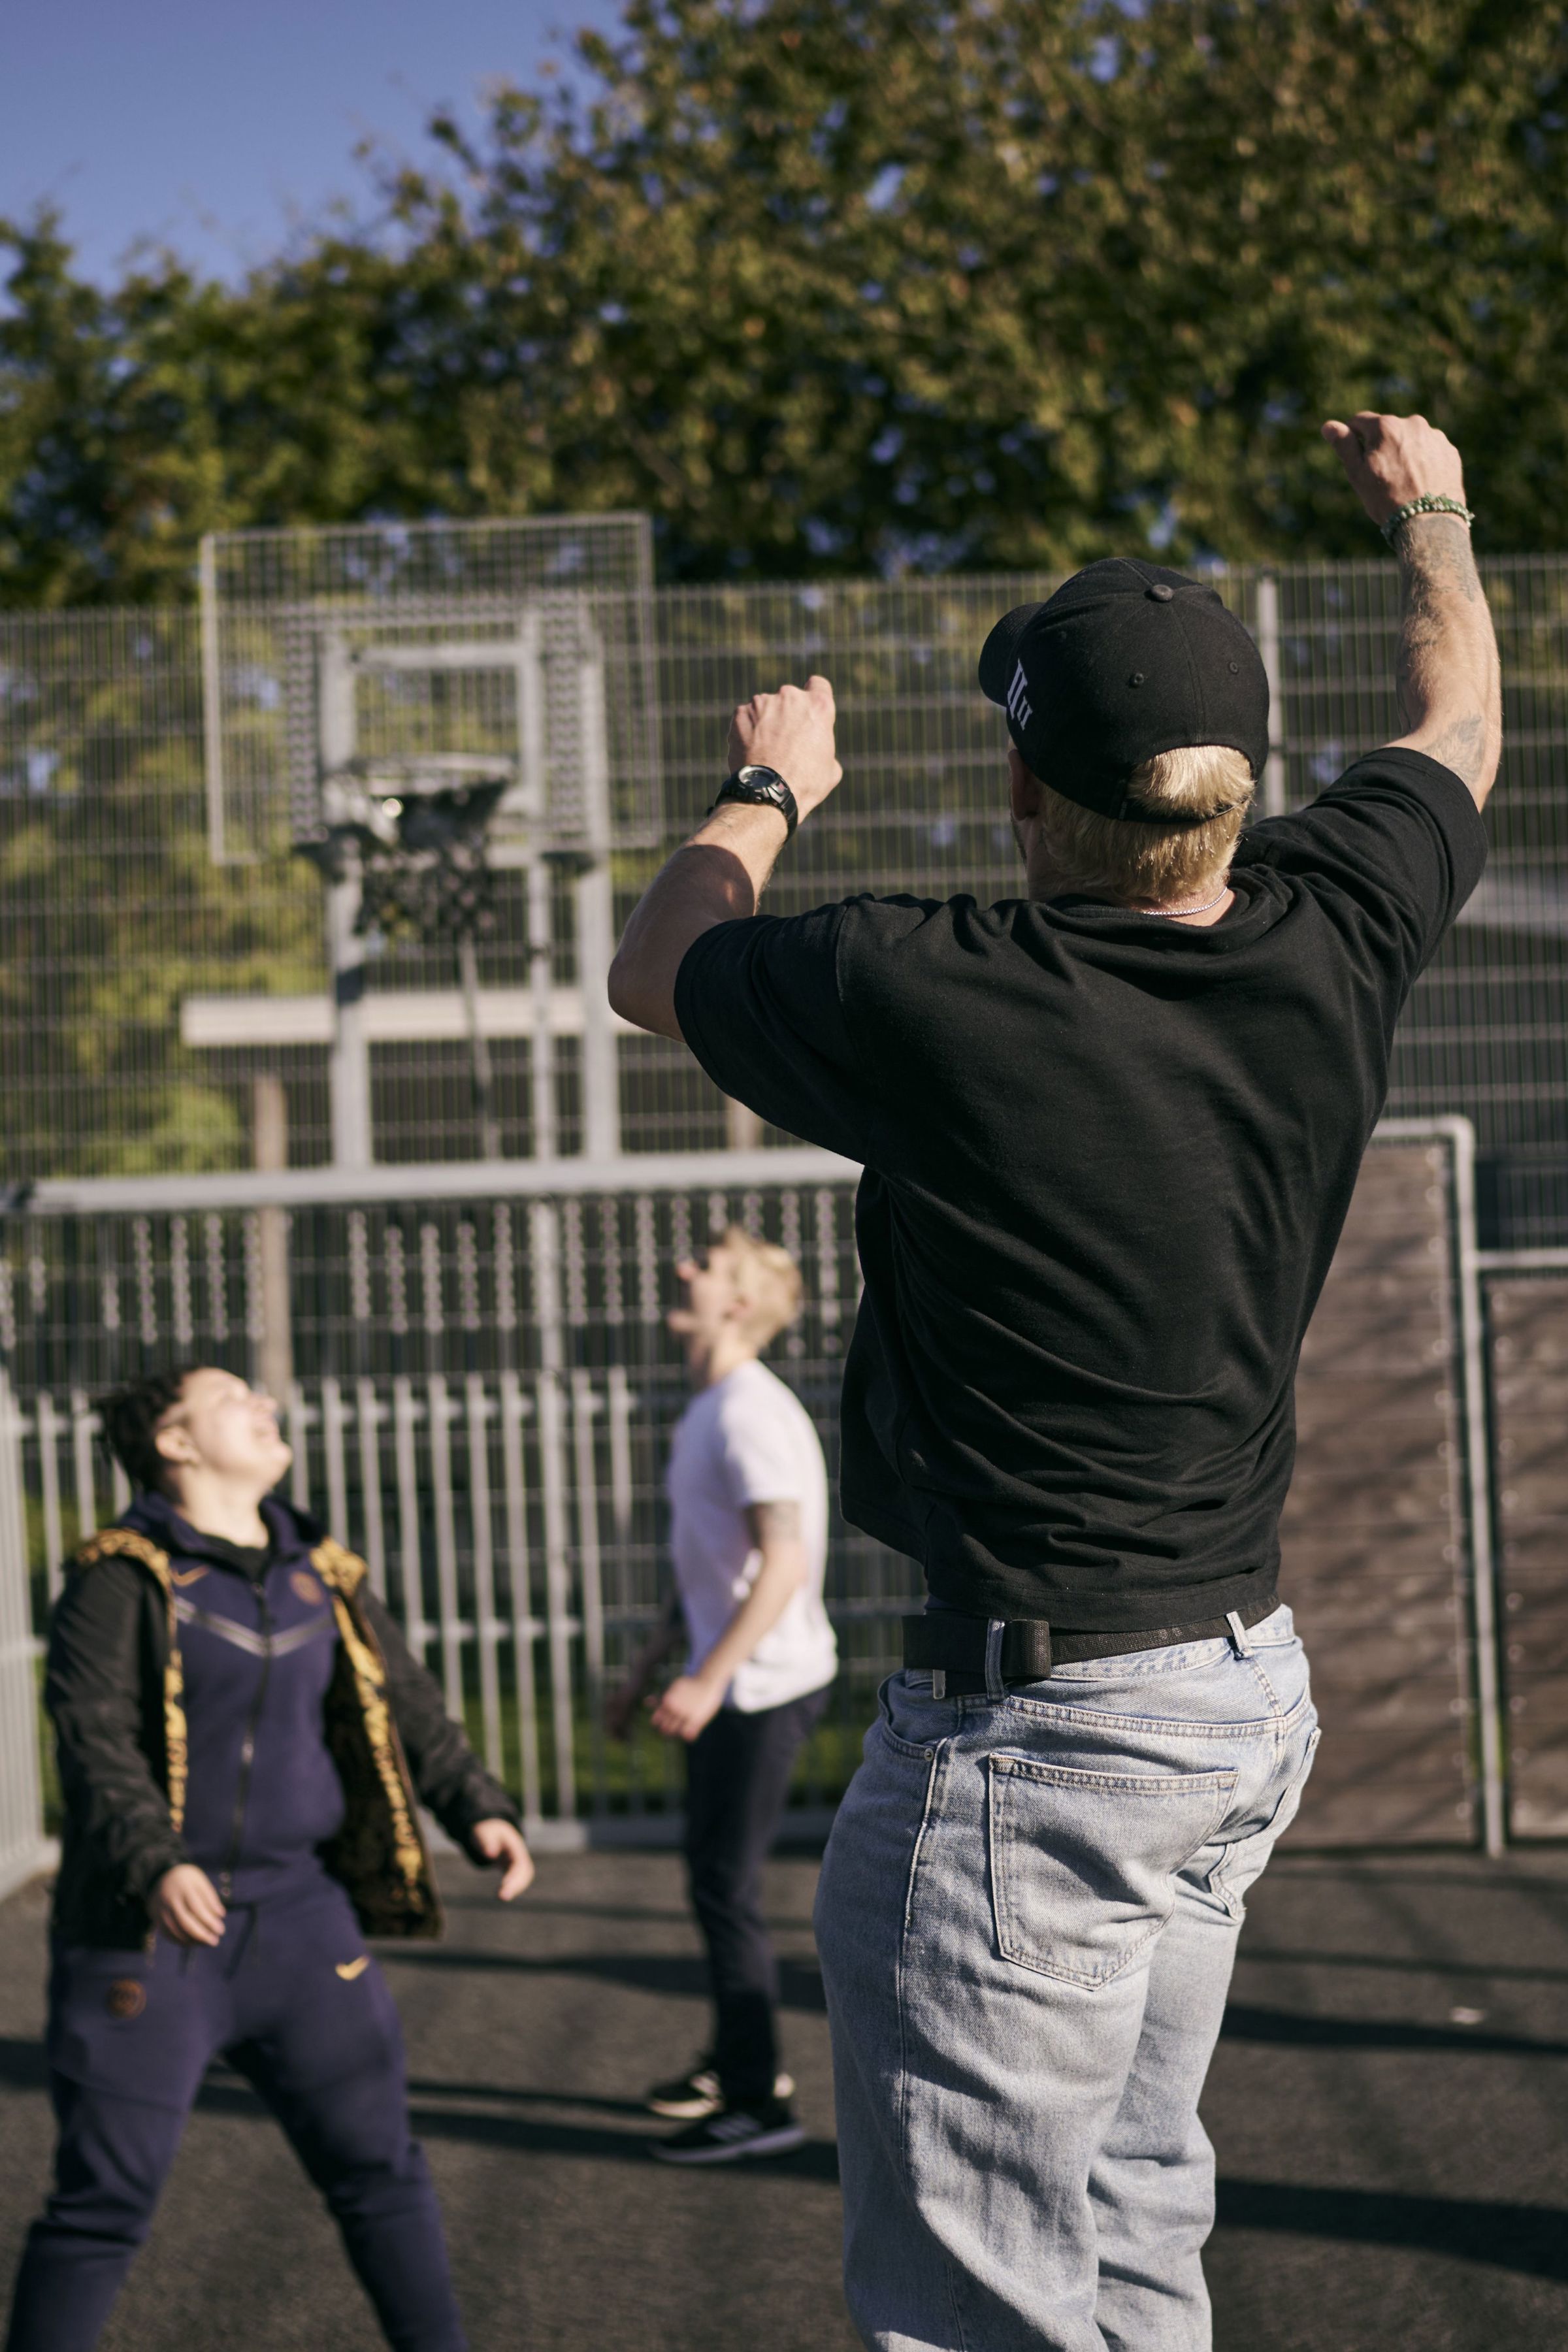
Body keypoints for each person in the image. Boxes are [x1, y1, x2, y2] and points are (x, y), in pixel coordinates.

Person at [607, 413, 1499, 2345]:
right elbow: (1461, 722)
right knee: (1128, 2238)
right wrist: (1430, 515)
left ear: (1024, 789)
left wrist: (765, 781)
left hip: (1037, 1742)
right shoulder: (1344, 924)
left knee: (986, 2308)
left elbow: (660, 959)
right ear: (1242, 789)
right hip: (1232, 1695)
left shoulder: (934, 991)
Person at [6, 1364, 534, 2352]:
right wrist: (157, 1860)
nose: (266, 1406)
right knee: (101, 2207)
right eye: (233, 1398)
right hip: (151, 1938)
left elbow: (406, 1698)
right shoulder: (118, 1573)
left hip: (304, 1924)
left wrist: (477, 1805)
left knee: (382, 2177)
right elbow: (92, 1737)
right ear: (174, 1441)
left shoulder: (319, 1566)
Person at [608, 1225, 836, 2164]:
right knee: (714, 1883)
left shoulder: (748, 1412)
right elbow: (717, 1564)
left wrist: (706, 1679)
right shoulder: (711, 1407)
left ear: (738, 1305)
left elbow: (783, 1561)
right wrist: (657, 1659)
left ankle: (758, 2103)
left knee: (727, 1889)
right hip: (733, 1681)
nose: (683, 1270)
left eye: (705, 1266)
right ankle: (737, 2061)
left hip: (763, 1689)